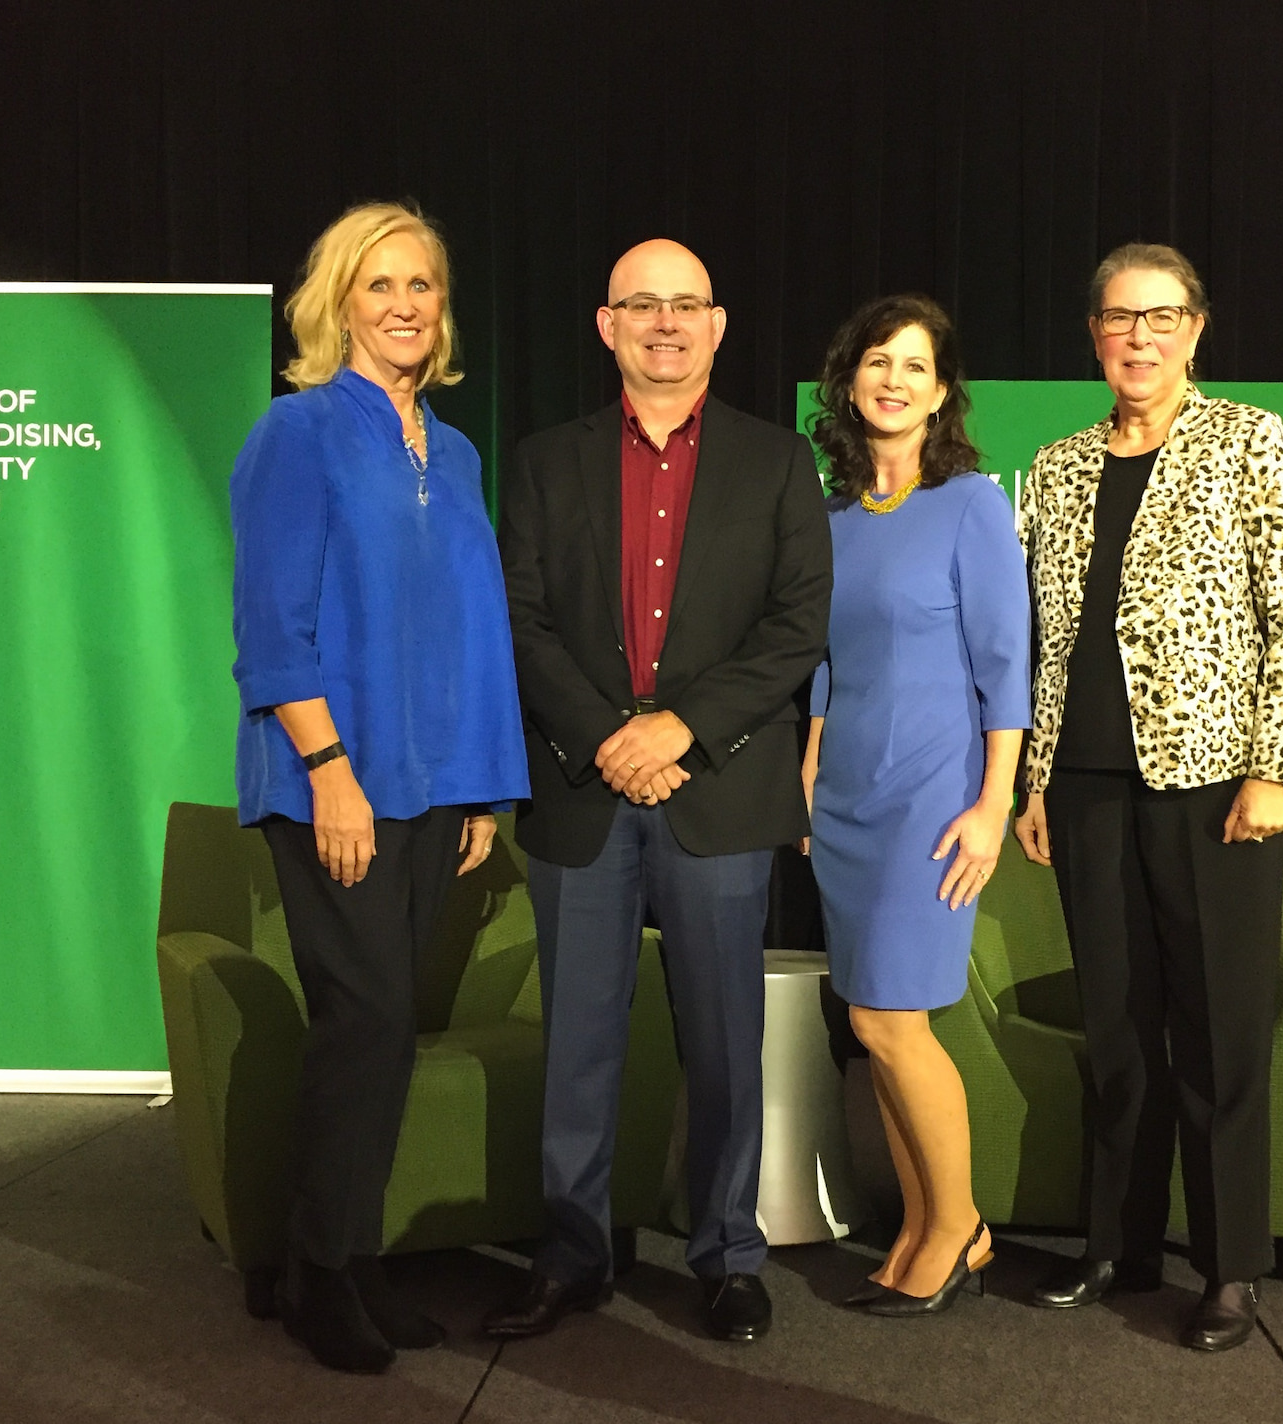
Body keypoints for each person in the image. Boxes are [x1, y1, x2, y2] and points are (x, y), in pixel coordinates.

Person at [487, 239, 831, 1344]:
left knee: (725, 1039)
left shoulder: (780, 462)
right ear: (607, 325)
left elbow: (796, 627)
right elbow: (522, 620)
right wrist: (607, 736)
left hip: (716, 787)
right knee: (579, 1039)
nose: (665, 323)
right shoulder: (545, 460)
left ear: (718, 326)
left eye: (686, 305)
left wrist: (681, 726)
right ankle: (575, 1251)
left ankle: (728, 1252)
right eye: (643, 304)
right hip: (583, 792)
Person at [1013, 243, 1283, 1351]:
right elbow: (1045, 641)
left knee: (1219, 1031)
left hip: (1215, 790)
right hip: (1088, 786)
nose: (1138, 338)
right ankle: (1119, 1242)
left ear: (1195, 327)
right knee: (1117, 1030)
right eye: (1117, 319)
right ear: (1094, 333)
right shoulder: (1056, 466)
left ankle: (1231, 1265)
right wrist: (1037, 775)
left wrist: (1277, 768)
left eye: (1159, 317)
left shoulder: (1247, 437)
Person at [230, 202, 529, 1373]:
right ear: (338, 301)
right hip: (332, 781)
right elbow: (269, 622)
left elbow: (465, 629)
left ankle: (345, 1258)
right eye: (381, 285)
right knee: (364, 1019)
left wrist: (471, 792)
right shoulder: (297, 431)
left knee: (386, 1025)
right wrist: (329, 771)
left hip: (428, 785)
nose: (406, 305)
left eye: (424, 286)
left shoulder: (451, 452)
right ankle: (313, 1272)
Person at [800, 295, 1031, 1317]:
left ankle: (960, 1226)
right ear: (849, 383)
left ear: (942, 391)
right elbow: (818, 662)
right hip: (844, 795)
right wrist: (807, 773)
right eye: (876, 362)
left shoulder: (973, 503)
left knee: (895, 1018)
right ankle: (920, 1222)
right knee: (868, 1013)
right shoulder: (832, 518)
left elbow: (1004, 663)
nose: (893, 380)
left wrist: (996, 801)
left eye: (915, 365)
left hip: (932, 798)